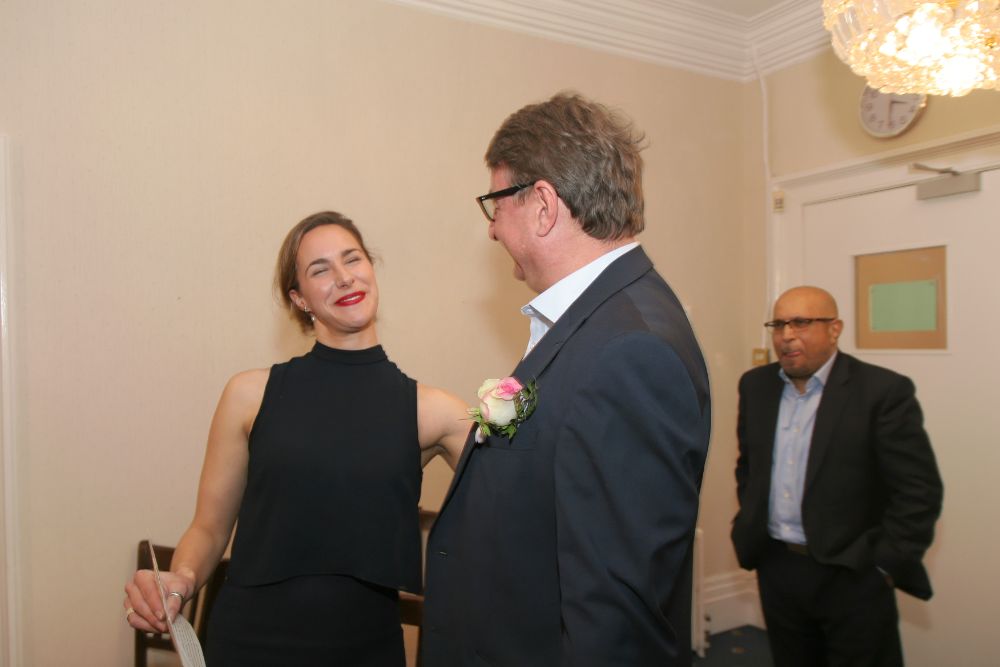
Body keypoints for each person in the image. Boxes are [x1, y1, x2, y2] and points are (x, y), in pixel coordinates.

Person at [421, 93, 712, 666]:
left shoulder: (630, 350)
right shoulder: (598, 320)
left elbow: (616, 620)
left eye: (495, 204)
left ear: (543, 205)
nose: (492, 230)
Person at [123, 211, 469, 666]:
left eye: (353, 259)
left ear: (371, 268)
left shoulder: (433, 410)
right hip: (250, 645)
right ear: (299, 298)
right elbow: (208, 528)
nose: (344, 277)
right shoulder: (248, 395)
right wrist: (181, 580)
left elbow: (522, 504)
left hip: (366, 650)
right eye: (320, 270)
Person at [731, 285, 943, 666]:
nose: (786, 335)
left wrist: (883, 564)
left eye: (801, 323)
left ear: (834, 329)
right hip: (778, 566)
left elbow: (919, 490)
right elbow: (749, 467)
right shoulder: (755, 386)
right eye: (778, 325)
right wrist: (749, 523)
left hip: (853, 574)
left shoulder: (881, 391)